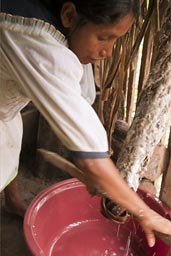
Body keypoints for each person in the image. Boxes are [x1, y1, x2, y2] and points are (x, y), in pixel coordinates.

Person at [1, 0, 171, 247]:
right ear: (69, 15)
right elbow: (90, 158)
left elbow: (81, 99)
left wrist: (101, 171)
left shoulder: (65, 35)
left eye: (115, 40)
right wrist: (144, 213)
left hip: (5, 109)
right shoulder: (33, 39)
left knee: (8, 147)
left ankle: (11, 202)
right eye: (104, 37)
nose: (108, 51)